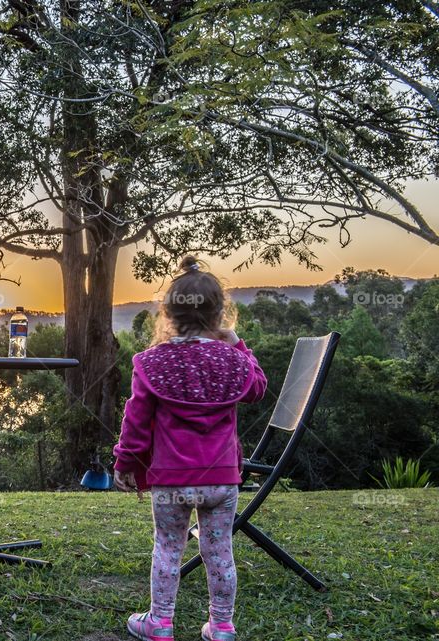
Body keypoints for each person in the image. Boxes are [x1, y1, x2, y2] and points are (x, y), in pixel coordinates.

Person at [113, 256, 267, 641]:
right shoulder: (233, 360)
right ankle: (222, 626)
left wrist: (125, 461)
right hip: (221, 480)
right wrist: (239, 344)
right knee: (220, 552)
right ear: (219, 314)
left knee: (167, 548)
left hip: (171, 480)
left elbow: (136, 420)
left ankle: (160, 622)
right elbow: (257, 388)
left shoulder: (152, 362)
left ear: (168, 313)